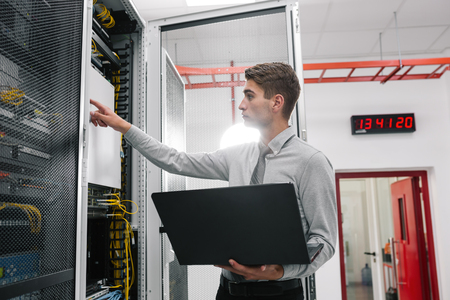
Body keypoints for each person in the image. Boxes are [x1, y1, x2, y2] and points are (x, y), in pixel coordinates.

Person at [90, 62, 337, 300]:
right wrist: (124, 127)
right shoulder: (238, 154)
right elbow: (176, 160)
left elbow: (323, 241)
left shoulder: (310, 161)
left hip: (279, 293)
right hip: (228, 292)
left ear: (277, 102)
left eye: (250, 96)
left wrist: (280, 270)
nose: (242, 105)